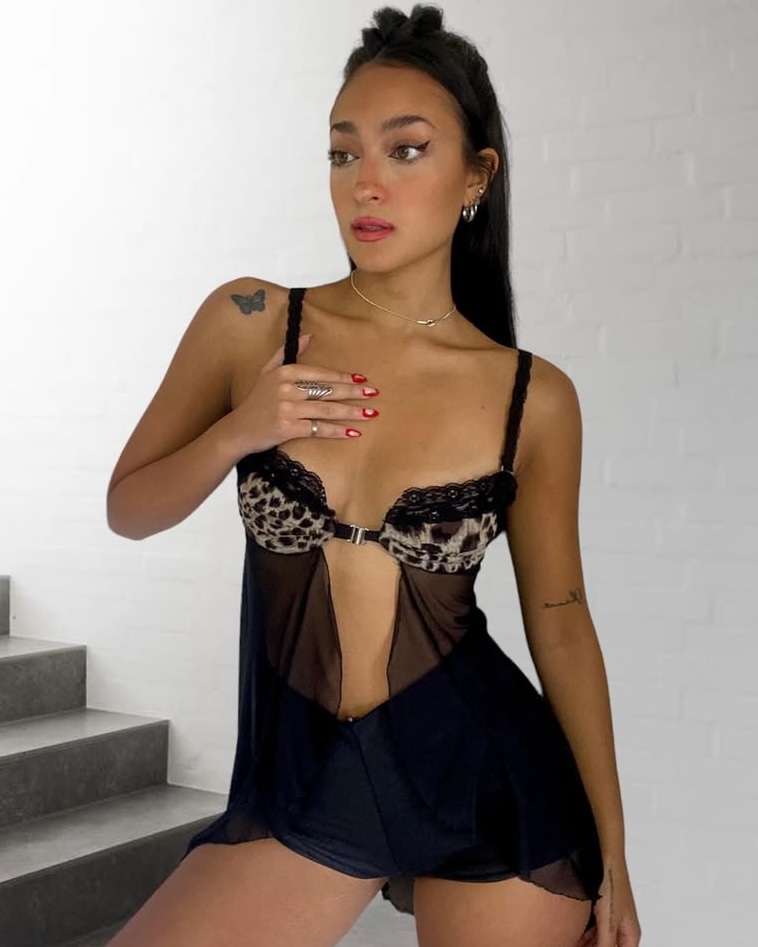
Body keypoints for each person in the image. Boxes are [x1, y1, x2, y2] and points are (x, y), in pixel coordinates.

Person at [106, 5, 642, 946]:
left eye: (407, 149)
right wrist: (239, 431)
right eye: (342, 152)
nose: (366, 182)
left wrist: (616, 858)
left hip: (489, 781)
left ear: (477, 175)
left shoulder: (533, 397)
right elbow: (129, 509)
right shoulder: (251, 320)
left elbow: (561, 622)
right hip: (310, 778)